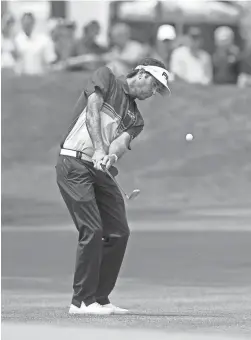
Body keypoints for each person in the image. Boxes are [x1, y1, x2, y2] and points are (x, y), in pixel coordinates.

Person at [55, 57, 171, 315]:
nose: (153, 93)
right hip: (73, 164)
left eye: (157, 91)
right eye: (154, 85)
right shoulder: (105, 77)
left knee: (119, 232)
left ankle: (99, 297)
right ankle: (81, 302)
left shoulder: (137, 118)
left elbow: (121, 142)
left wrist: (110, 156)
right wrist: (98, 148)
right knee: (93, 229)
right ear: (141, 74)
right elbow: (93, 109)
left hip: (99, 168)